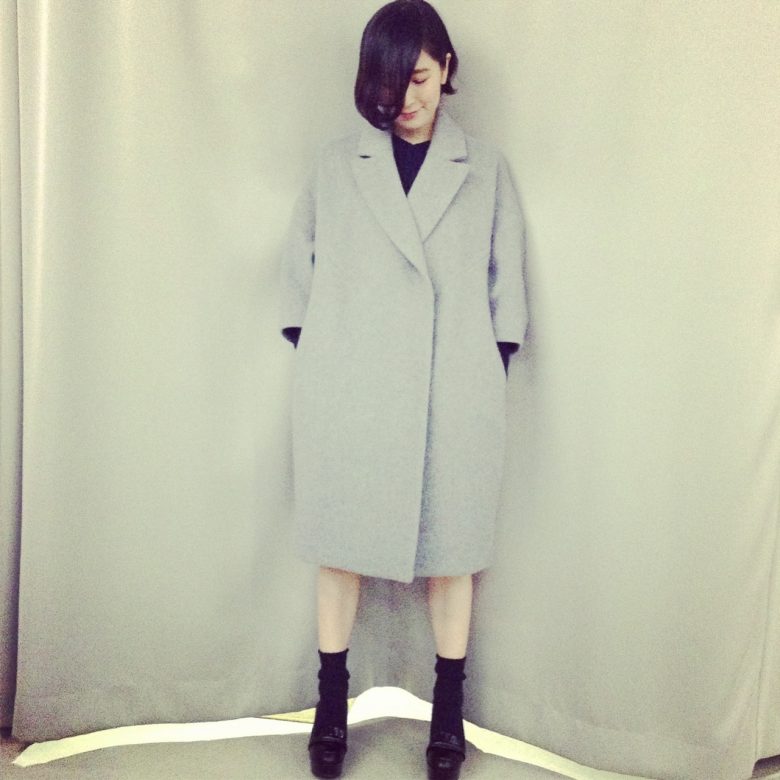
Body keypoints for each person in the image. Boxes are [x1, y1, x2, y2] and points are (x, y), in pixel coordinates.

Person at [278, 1, 527, 777]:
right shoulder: (336, 165)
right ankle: (331, 706)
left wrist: (484, 366)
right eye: (389, 82)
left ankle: (447, 712)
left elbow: (507, 285)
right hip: (349, 390)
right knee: (339, 549)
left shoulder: (485, 168)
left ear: (446, 68)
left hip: (453, 392)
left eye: (418, 77)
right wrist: (326, 357)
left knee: (453, 555)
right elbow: (297, 275)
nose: (405, 98)